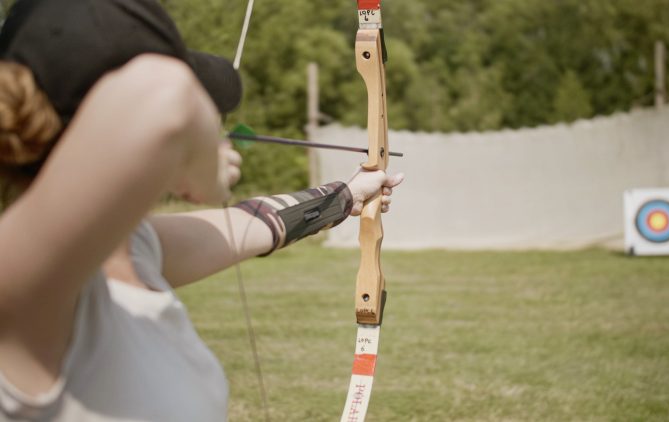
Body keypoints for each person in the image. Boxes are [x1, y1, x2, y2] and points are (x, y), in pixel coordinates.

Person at [0, 0, 404, 420]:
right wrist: (204, 171)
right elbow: (166, 93)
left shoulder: (137, 248)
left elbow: (255, 223)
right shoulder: (28, 282)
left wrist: (347, 195)